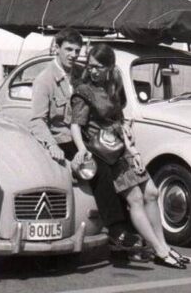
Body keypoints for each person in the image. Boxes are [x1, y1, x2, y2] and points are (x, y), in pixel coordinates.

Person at [70, 43, 189, 269]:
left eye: (98, 67)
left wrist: (133, 150)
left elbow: (119, 120)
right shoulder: (83, 91)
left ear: (110, 67)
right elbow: (76, 126)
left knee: (152, 193)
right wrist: (81, 148)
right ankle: (159, 250)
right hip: (103, 152)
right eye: (90, 66)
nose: (93, 71)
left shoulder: (115, 82)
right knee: (135, 198)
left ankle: (163, 244)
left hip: (121, 147)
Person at [29, 28, 140, 252]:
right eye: (68, 49)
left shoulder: (80, 74)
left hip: (87, 136)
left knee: (116, 164)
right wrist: (52, 146)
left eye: (77, 51)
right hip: (62, 139)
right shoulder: (45, 80)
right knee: (98, 169)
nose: (73, 54)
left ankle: (131, 227)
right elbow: (37, 121)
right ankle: (117, 230)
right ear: (57, 48)